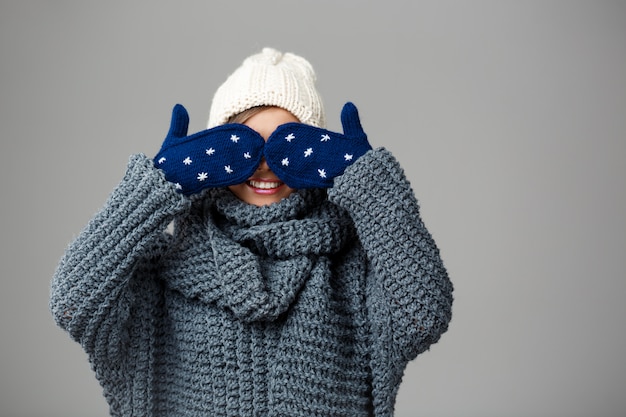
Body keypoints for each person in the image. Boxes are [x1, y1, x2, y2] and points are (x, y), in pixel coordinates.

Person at [50, 47, 454, 417]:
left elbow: (424, 315)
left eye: (286, 146)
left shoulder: (352, 267)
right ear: (212, 150)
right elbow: (73, 302)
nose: (265, 166)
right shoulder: (165, 266)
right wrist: (156, 187)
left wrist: (374, 187)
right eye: (244, 147)